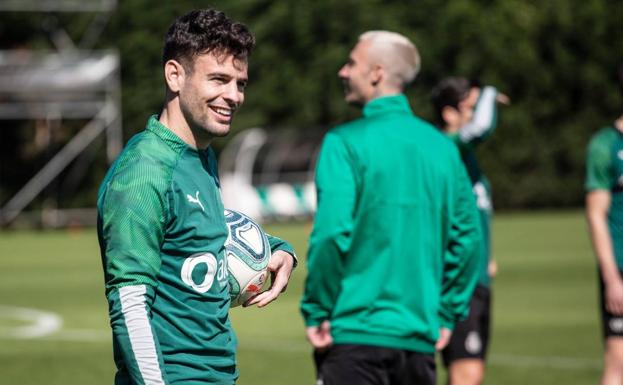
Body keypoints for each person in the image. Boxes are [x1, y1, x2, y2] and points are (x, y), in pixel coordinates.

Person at [96, 9, 297, 385]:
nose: (234, 96)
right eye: (219, 79)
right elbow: (130, 305)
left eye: (240, 83)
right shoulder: (143, 172)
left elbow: (204, 230)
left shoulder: (200, 154)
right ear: (175, 75)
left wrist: (278, 249)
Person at [299, 31, 481, 385]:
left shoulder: (343, 143)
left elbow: (332, 234)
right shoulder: (444, 149)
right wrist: (446, 313)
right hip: (418, 340)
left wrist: (318, 309)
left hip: (354, 334)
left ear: (376, 73)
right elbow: (469, 240)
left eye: (351, 62)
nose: (342, 71)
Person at [431, 77, 507, 385]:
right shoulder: (446, 146)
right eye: (471, 107)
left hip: (477, 278)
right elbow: (481, 128)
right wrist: (490, 92)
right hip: (455, 279)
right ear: (449, 114)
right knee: (466, 373)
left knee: (468, 372)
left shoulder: (465, 157)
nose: (478, 113)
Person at [586, 113, 623, 385]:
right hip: (620, 268)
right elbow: (596, 214)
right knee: (619, 362)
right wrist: (612, 278)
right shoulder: (606, 145)